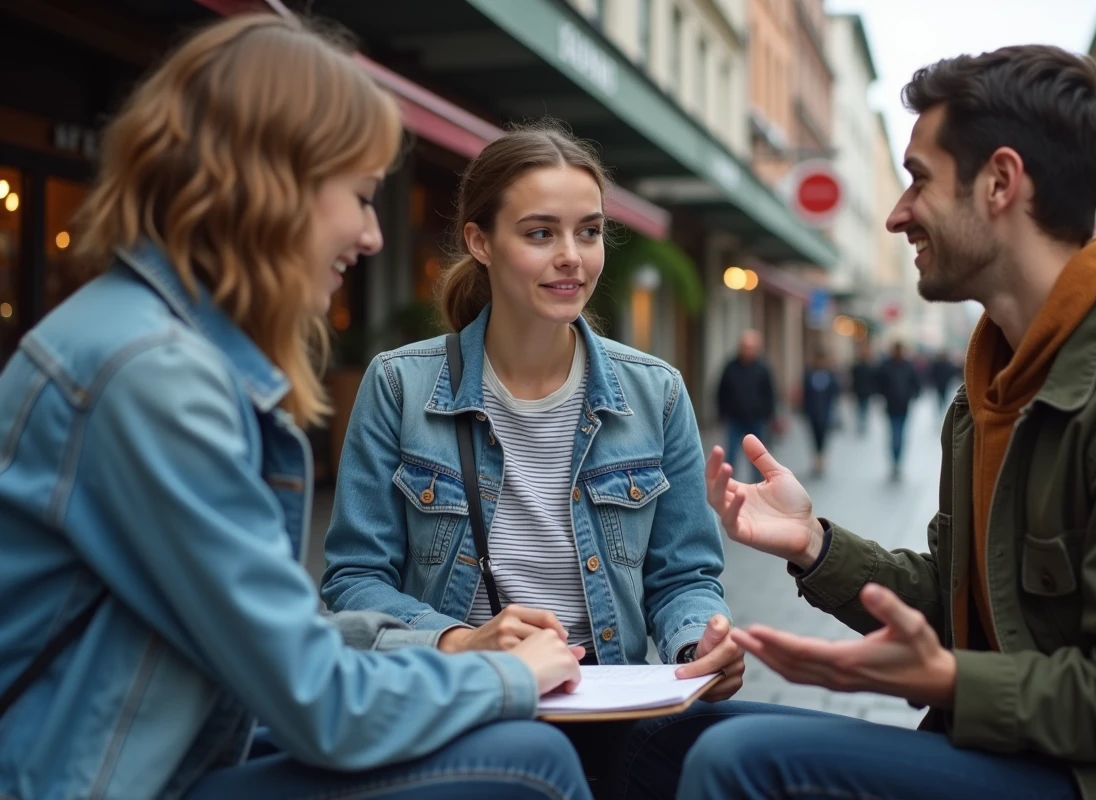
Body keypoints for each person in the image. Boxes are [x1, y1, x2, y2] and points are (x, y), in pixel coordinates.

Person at [0, 15, 593, 800]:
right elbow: (319, 702)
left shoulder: (155, 346)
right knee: (529, 763)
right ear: (271, 186)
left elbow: (270, 637)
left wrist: (451, 648)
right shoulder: (156, 378)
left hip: (154, 755)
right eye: (360, 195)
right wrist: (504, 675)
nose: (374, 235)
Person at [685, 44, 1096, 800]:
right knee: (692, 736)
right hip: (1002, 750)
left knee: (743, 762)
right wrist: (816, 544)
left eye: (918, 179)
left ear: (1000, 182)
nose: (897, 215)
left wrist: (954, 679)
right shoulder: (990, 385)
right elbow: (954, 597)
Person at [322, 121, 797, 799]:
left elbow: (684, 574)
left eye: (590, 231)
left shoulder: (655, 392)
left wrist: (698, 645)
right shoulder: (399, 385)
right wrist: (458, 640)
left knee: (761, 756)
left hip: (615, 708)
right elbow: (353, 583)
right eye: (541, 233)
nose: (572, 256)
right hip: (466, 704)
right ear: (482, 242)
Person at [716, 329, 776, 481]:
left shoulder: (763, 368)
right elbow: (721, 391)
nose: (747, 351)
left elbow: (770, 393)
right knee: (731, 455)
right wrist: (722, 413)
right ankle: (729, 484)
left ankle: (758, 485)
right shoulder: (730, 367)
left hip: (756, 419)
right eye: (745, 347)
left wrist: (769, 415)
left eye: (751, 348)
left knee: (758, 456)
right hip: (735, 419)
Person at [876, 340, 922, 480]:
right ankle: (894, 461)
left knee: (900, 435)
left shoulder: (908, 366)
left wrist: (911, 395)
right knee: (894, 435)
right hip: (891, 406)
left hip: (904, 406)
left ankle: (898, 461)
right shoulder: (886, 365)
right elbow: (879, 383)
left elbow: (916, 384)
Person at [798, 350, 839, 477]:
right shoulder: (809, 374)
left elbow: (835, 392)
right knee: (814, 435)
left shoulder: (830, 375)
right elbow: (805, 393)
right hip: (812, 412)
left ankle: (821, 459)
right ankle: (816, 458)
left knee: (824, 435)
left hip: (826, 412)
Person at [848, 342, 876, 434]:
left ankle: (862, 424)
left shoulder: (868, 367)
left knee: (863, 408)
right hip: (861, 391)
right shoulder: (860, 367)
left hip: (864, 391)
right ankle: (862, 424)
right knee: (861, 408)